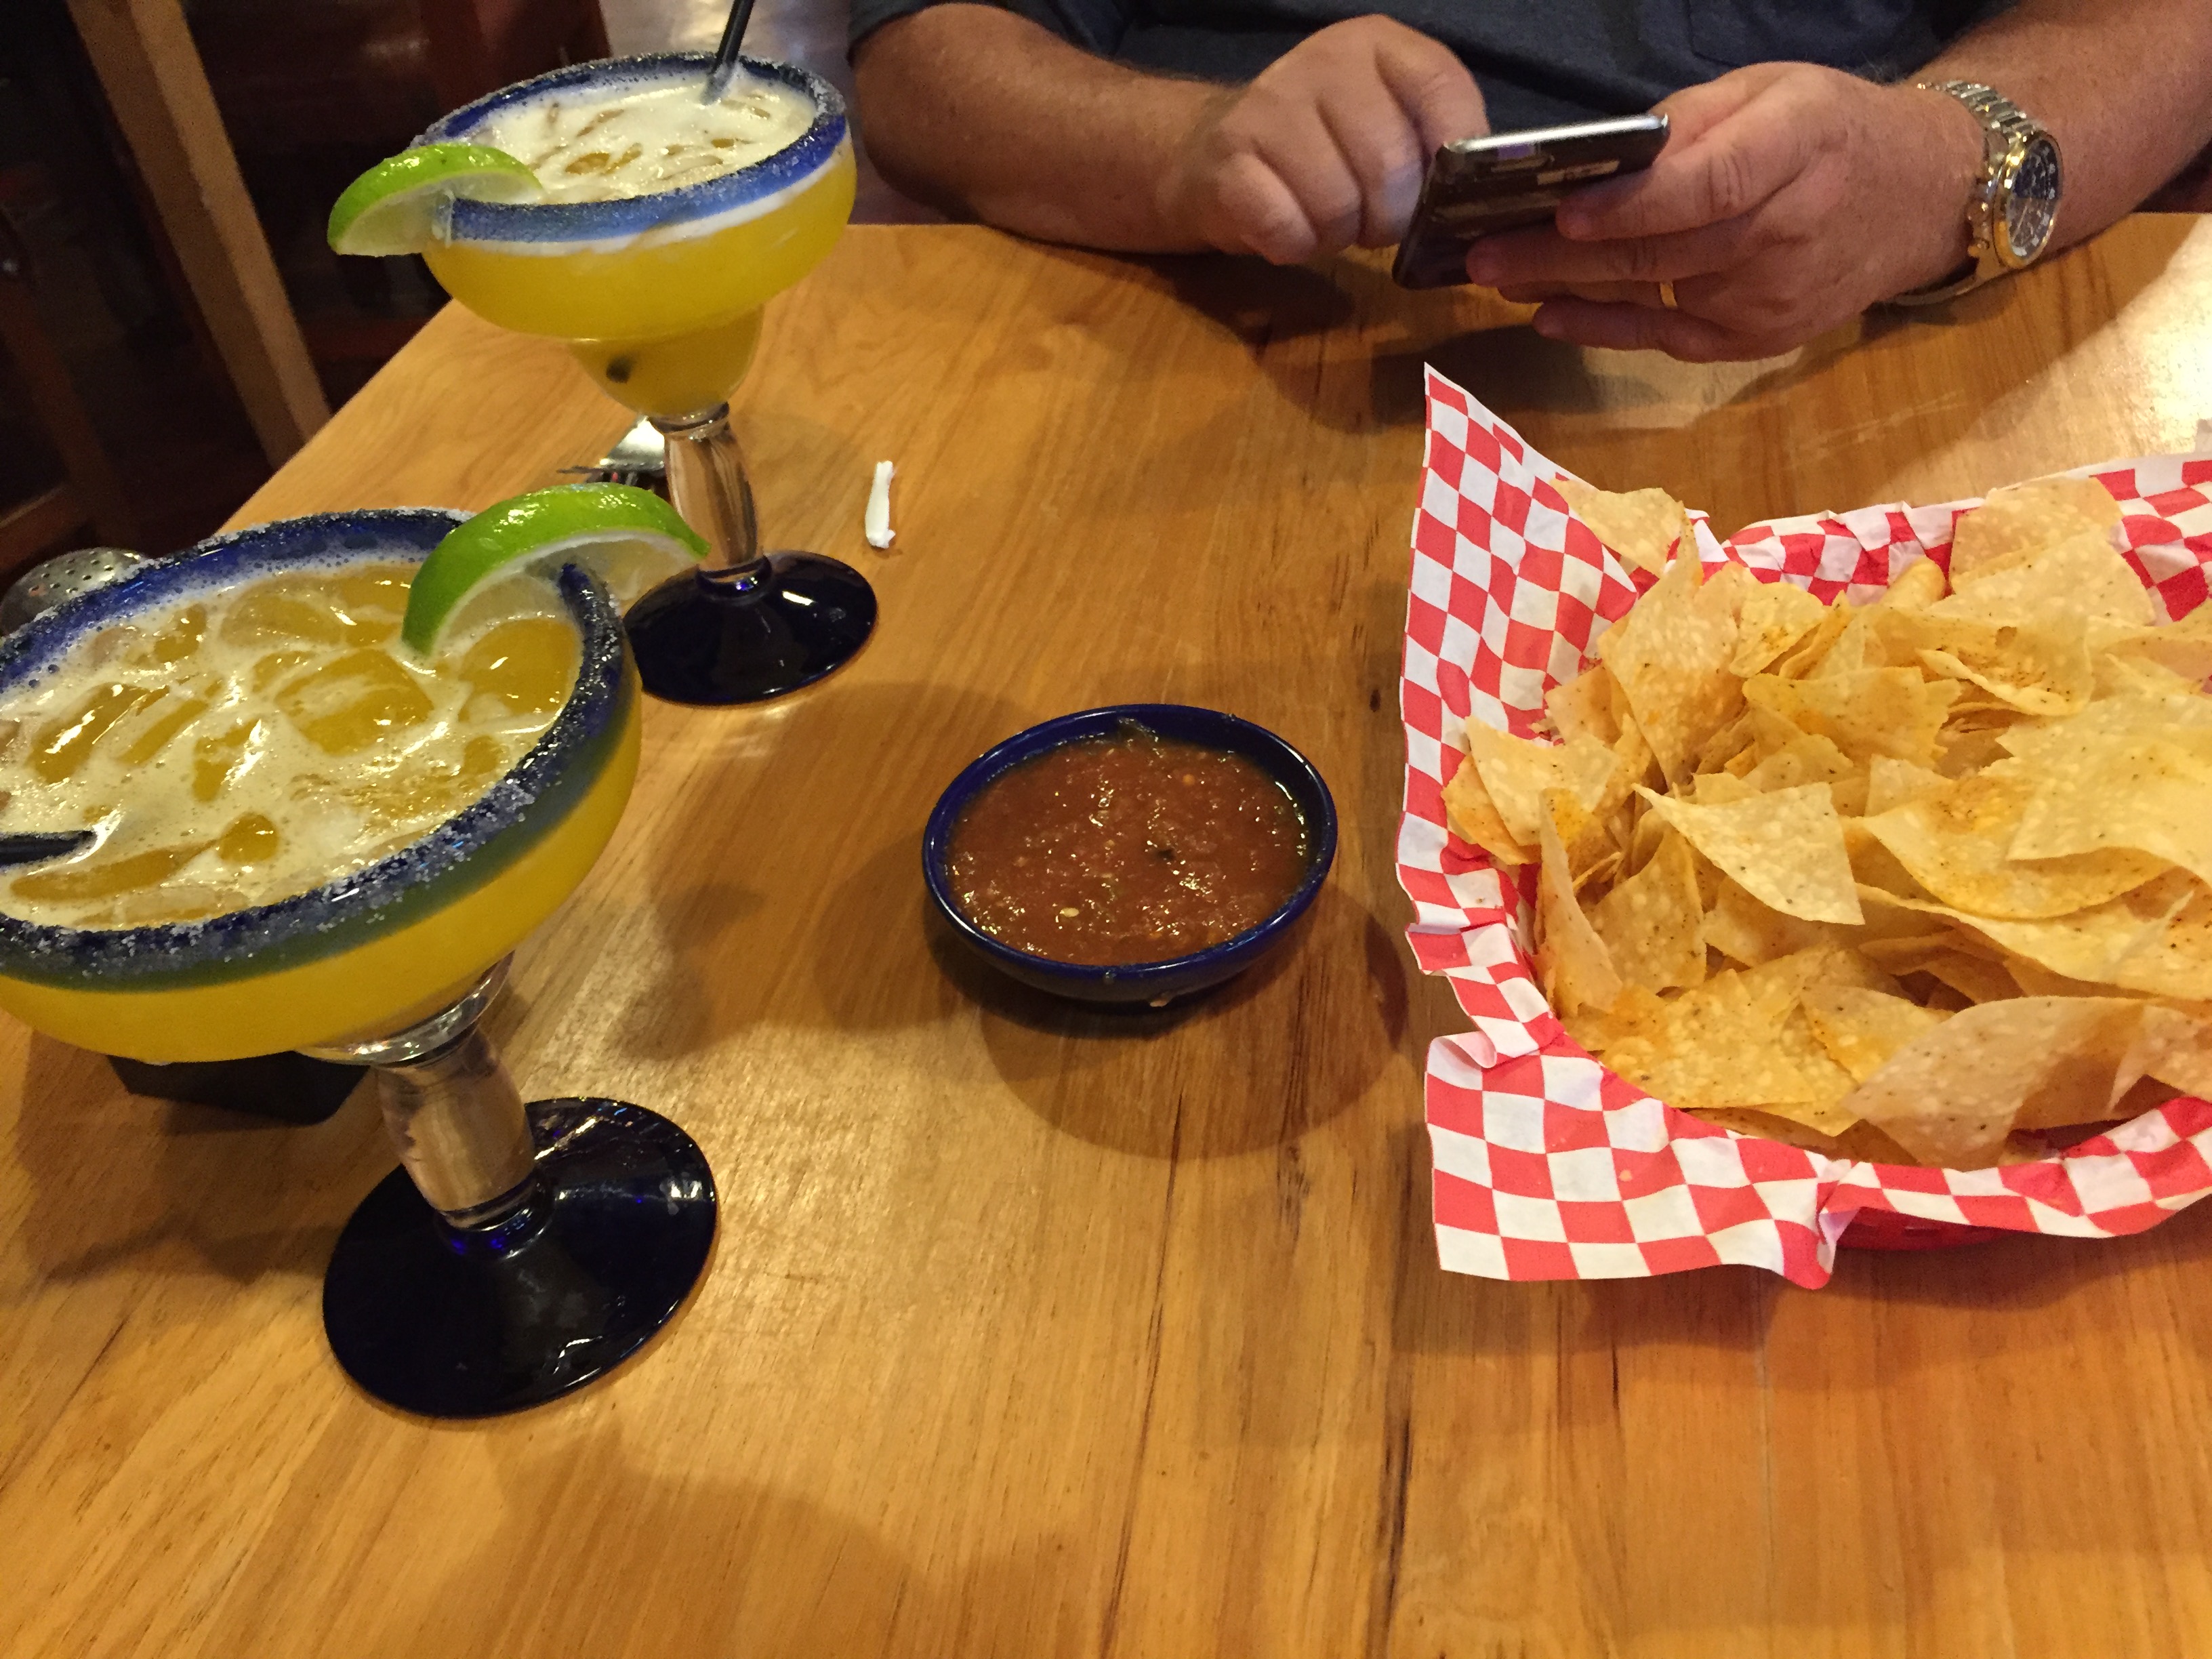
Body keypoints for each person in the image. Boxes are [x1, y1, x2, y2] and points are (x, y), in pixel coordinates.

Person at [848, 0, 2212, 361]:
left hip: (1861, 323)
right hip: (1216, 320)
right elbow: (920, 63)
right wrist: (1183, 150)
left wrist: (1950, 168)